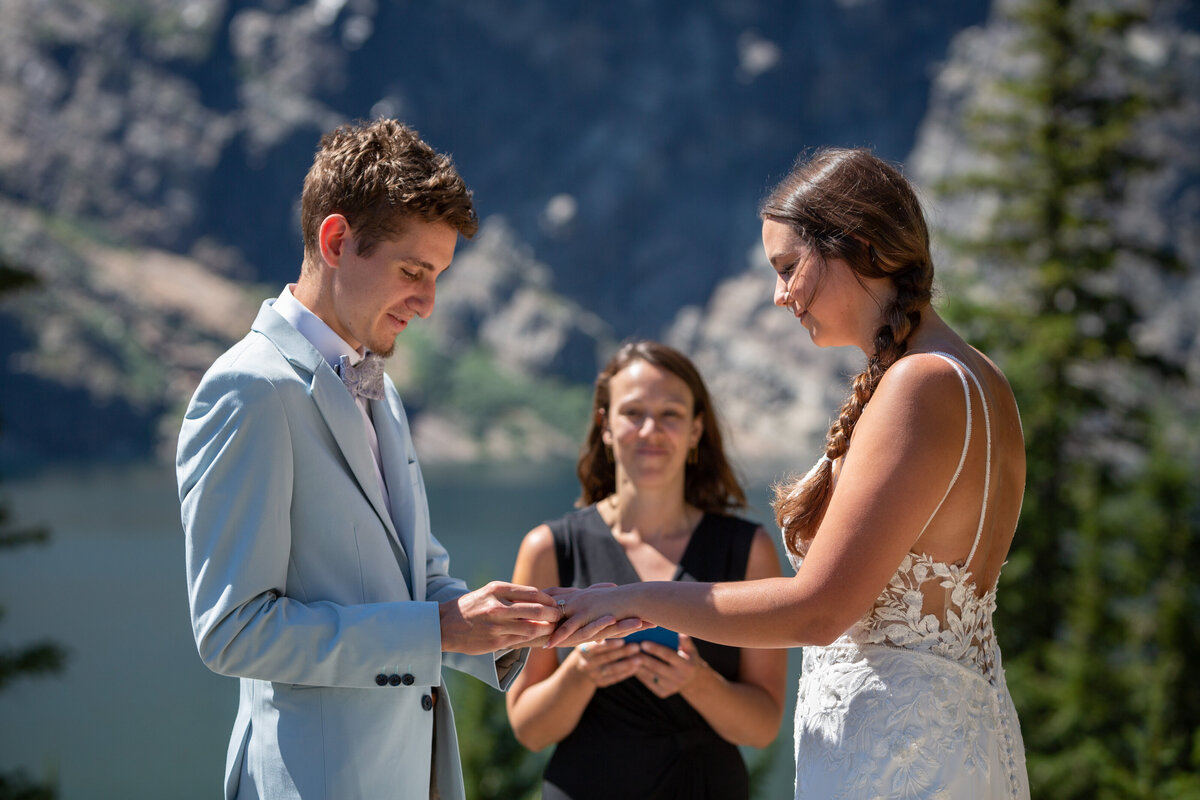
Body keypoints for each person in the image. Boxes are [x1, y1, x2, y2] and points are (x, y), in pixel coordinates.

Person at [548, 148, 1032, 799]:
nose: (779, 296)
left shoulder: (920, 384)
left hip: (897, 763)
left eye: (788, 267)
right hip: (943, 743)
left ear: (856, 246)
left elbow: (818, 611)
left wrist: (631, 598)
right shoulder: (978, 377)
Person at [176, 118, 633, 800]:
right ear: (336, 241)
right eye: (414, 272)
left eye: (438, 276)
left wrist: (523, 622)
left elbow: (417, 578)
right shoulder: (249, 390)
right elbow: (233, 632)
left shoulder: (379, 391)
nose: (428, 302)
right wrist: (436, 631)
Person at [507, 340, 787, 800]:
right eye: (633, 412)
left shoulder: (747, 549)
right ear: (606, 426)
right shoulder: (548, 548)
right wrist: (581, 672)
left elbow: (762, 728)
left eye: (671, 414)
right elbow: (529, 730)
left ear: (696, 429)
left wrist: (697, 682)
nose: (651, 429)